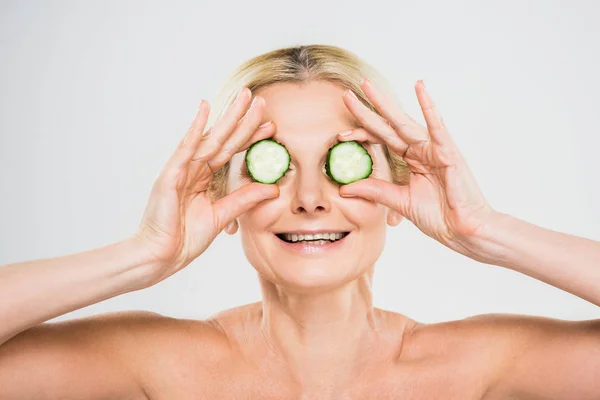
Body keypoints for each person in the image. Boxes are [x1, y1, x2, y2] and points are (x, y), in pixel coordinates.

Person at [0, 44, 598, 400]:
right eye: (274, 163)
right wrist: (143, 254)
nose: (310, 197)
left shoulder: (479, 365)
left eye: (346, 161)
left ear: (398, 191)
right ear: (218, 196)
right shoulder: (155, 363)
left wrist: (485, 229)